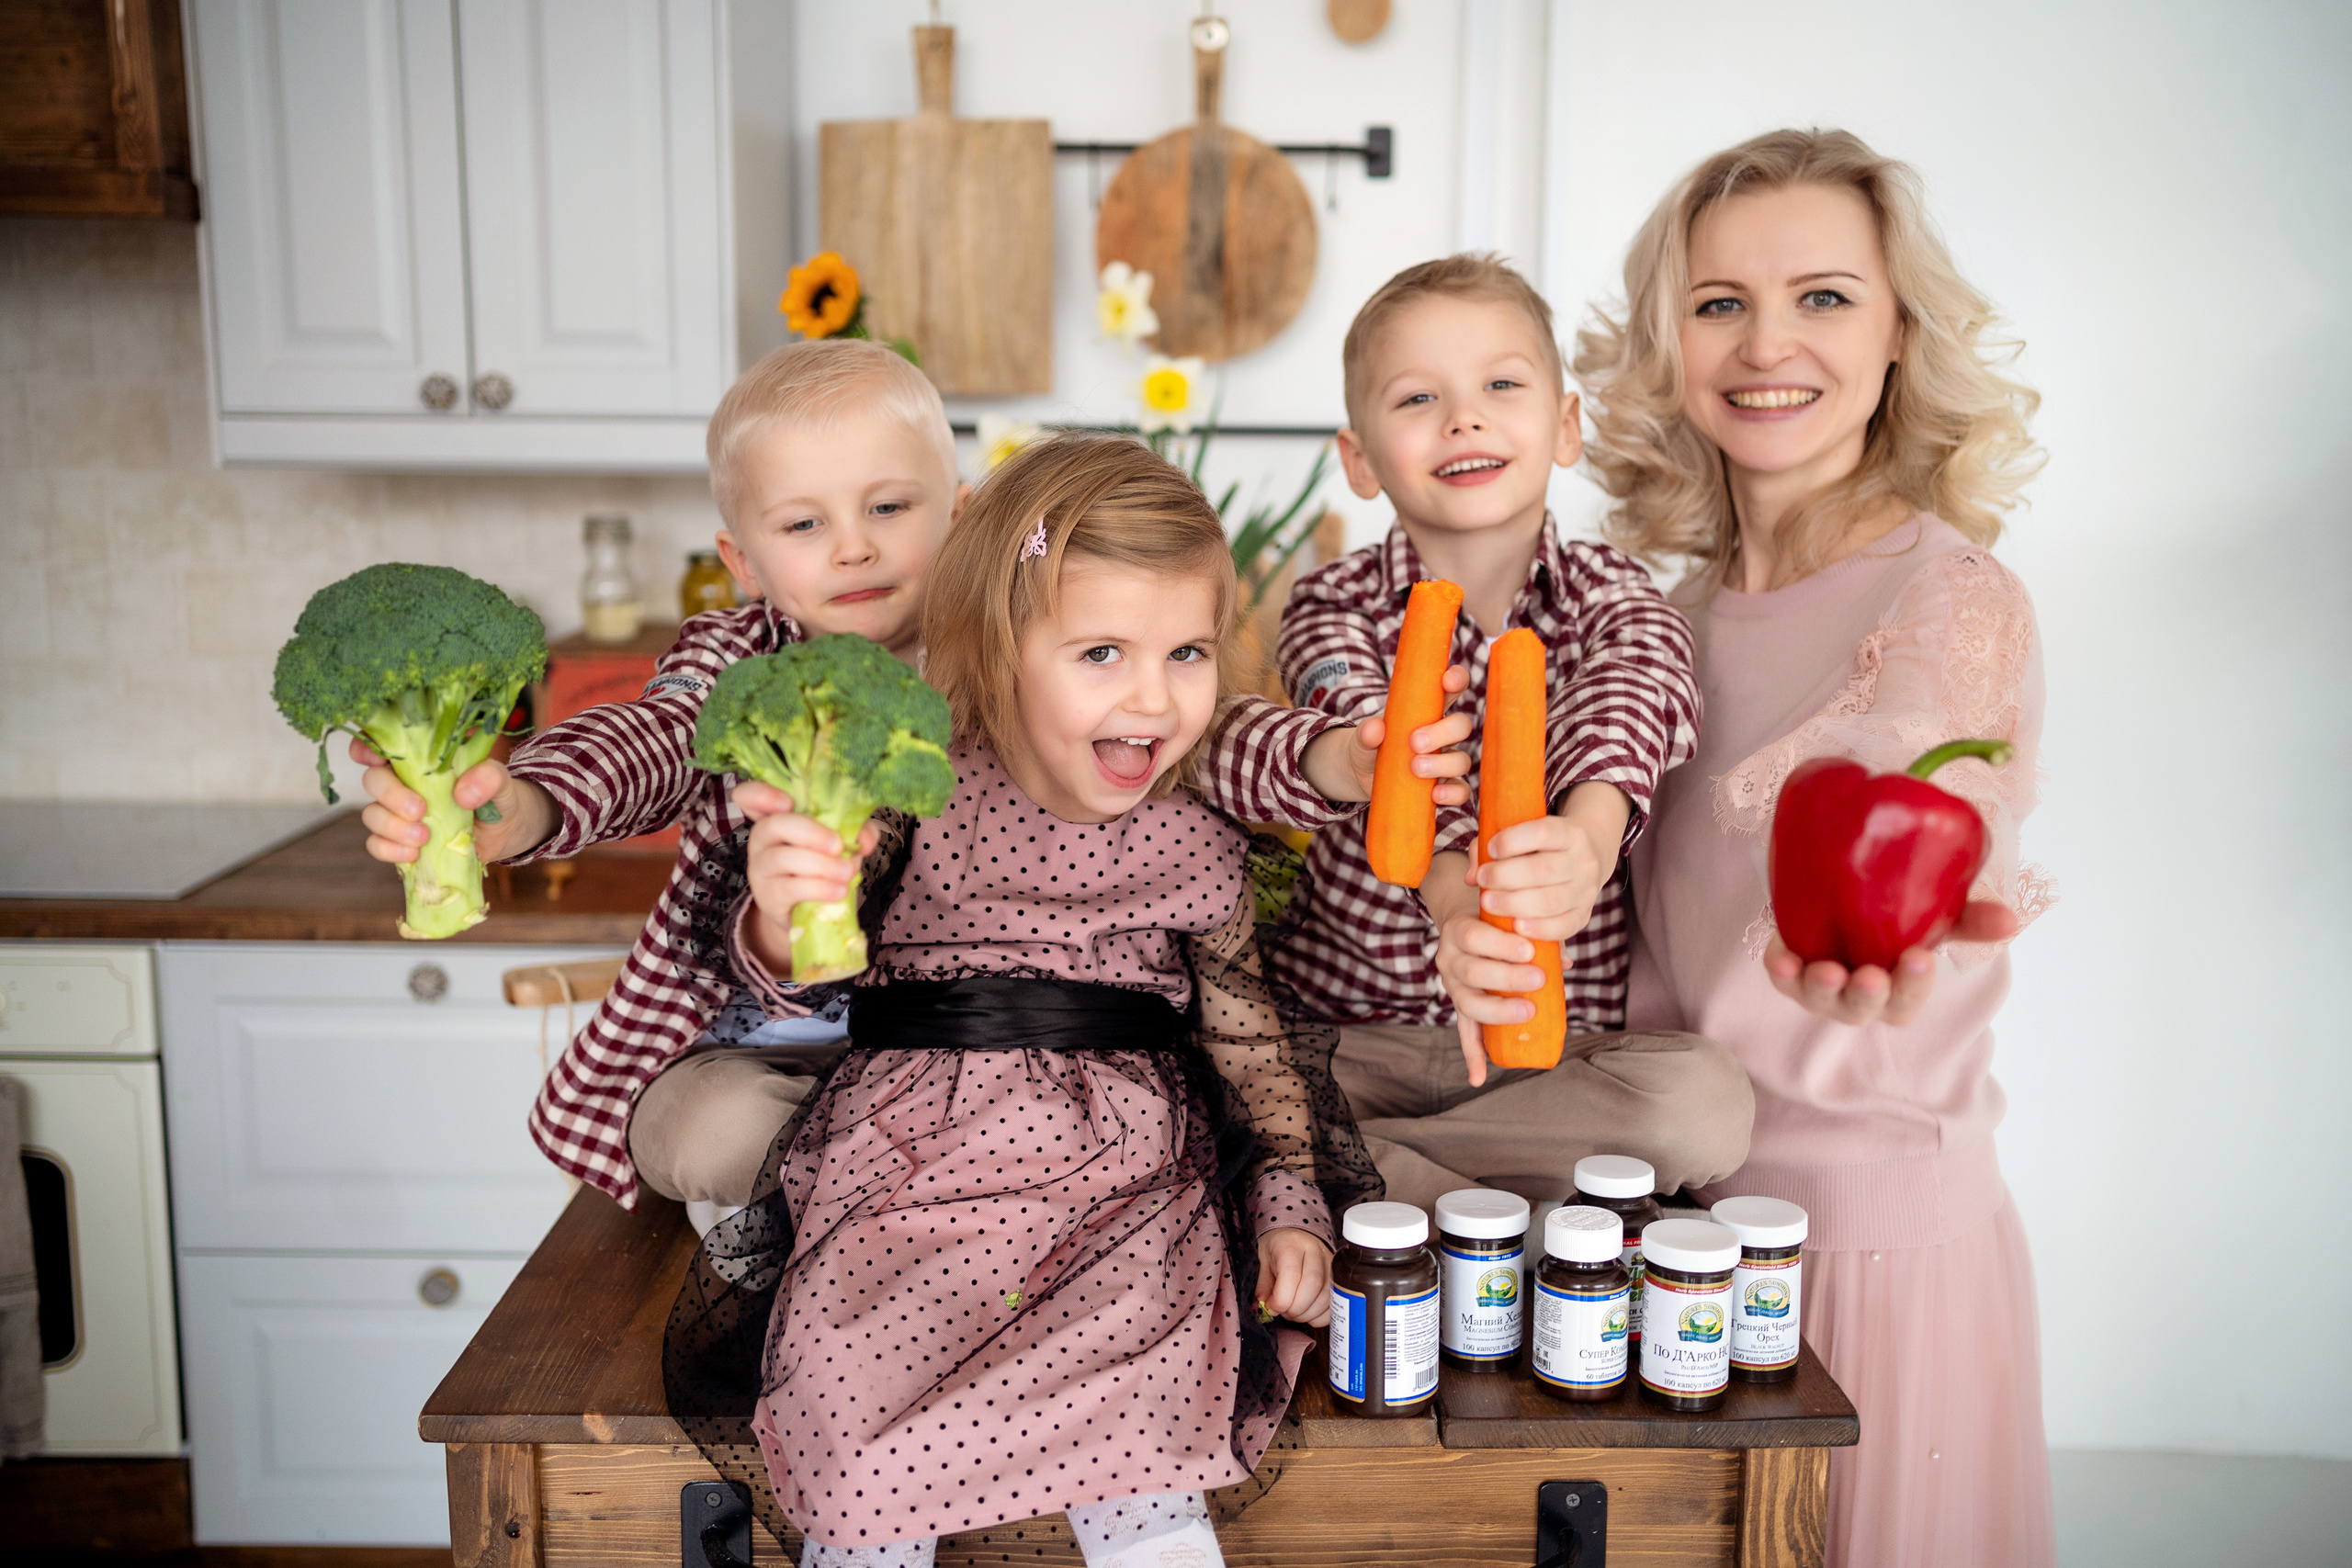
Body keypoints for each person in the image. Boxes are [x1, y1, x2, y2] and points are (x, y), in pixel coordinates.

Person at [350, 339, 1455, 1222]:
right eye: (802, 523)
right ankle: (805, 1222)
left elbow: (1199, 732)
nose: (853, 550)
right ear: (742, 560)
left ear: (962, 509)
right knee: (701, 1131)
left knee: (1140, 1132)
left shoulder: (1015, 639)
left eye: (889, 508)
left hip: (978, 1057)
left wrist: (1331, 757)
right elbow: (649, 741)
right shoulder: (734, 663)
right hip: (769, 1044)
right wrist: (528, 804)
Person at [666, 432, 1376, 1567]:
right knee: (858, 1439)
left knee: (1147, 1440)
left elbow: (1243, 1029)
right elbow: (792, 956)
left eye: (1187, 651)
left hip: (1123, 1191)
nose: (1154, 696)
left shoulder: (1197, 839)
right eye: (1101, 652)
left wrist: (1289, 1200)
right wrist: (781, 895)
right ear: (1001, 649)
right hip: (910, 1177)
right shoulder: (908, 785)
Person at [1568, 128, 2053, 1565]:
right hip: (1651, 1222)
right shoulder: (1662, 613)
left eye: (1826, 296)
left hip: (1859, 1247)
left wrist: (1889, 941)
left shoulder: (1955, 599)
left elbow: (1917, 775)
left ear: (1901, 332)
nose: (1767, 343)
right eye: (1720, 301)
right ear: (1669, 337)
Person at [1227, 254, 1753, 1211]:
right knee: (1228, 1083)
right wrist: (1452, 903)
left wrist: (1589, 839)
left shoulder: (1610, 595)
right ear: (1358, 459)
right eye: (1418, 397)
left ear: (1564, 427)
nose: (1463, 418)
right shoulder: (1329, 603)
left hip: (1542, 1056)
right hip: (1351, 1040)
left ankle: (1380, 1186)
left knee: (1702, 1106)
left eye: (1500, 385)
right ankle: (1480, 1200)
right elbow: (1355, 726)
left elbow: (1638, 692)